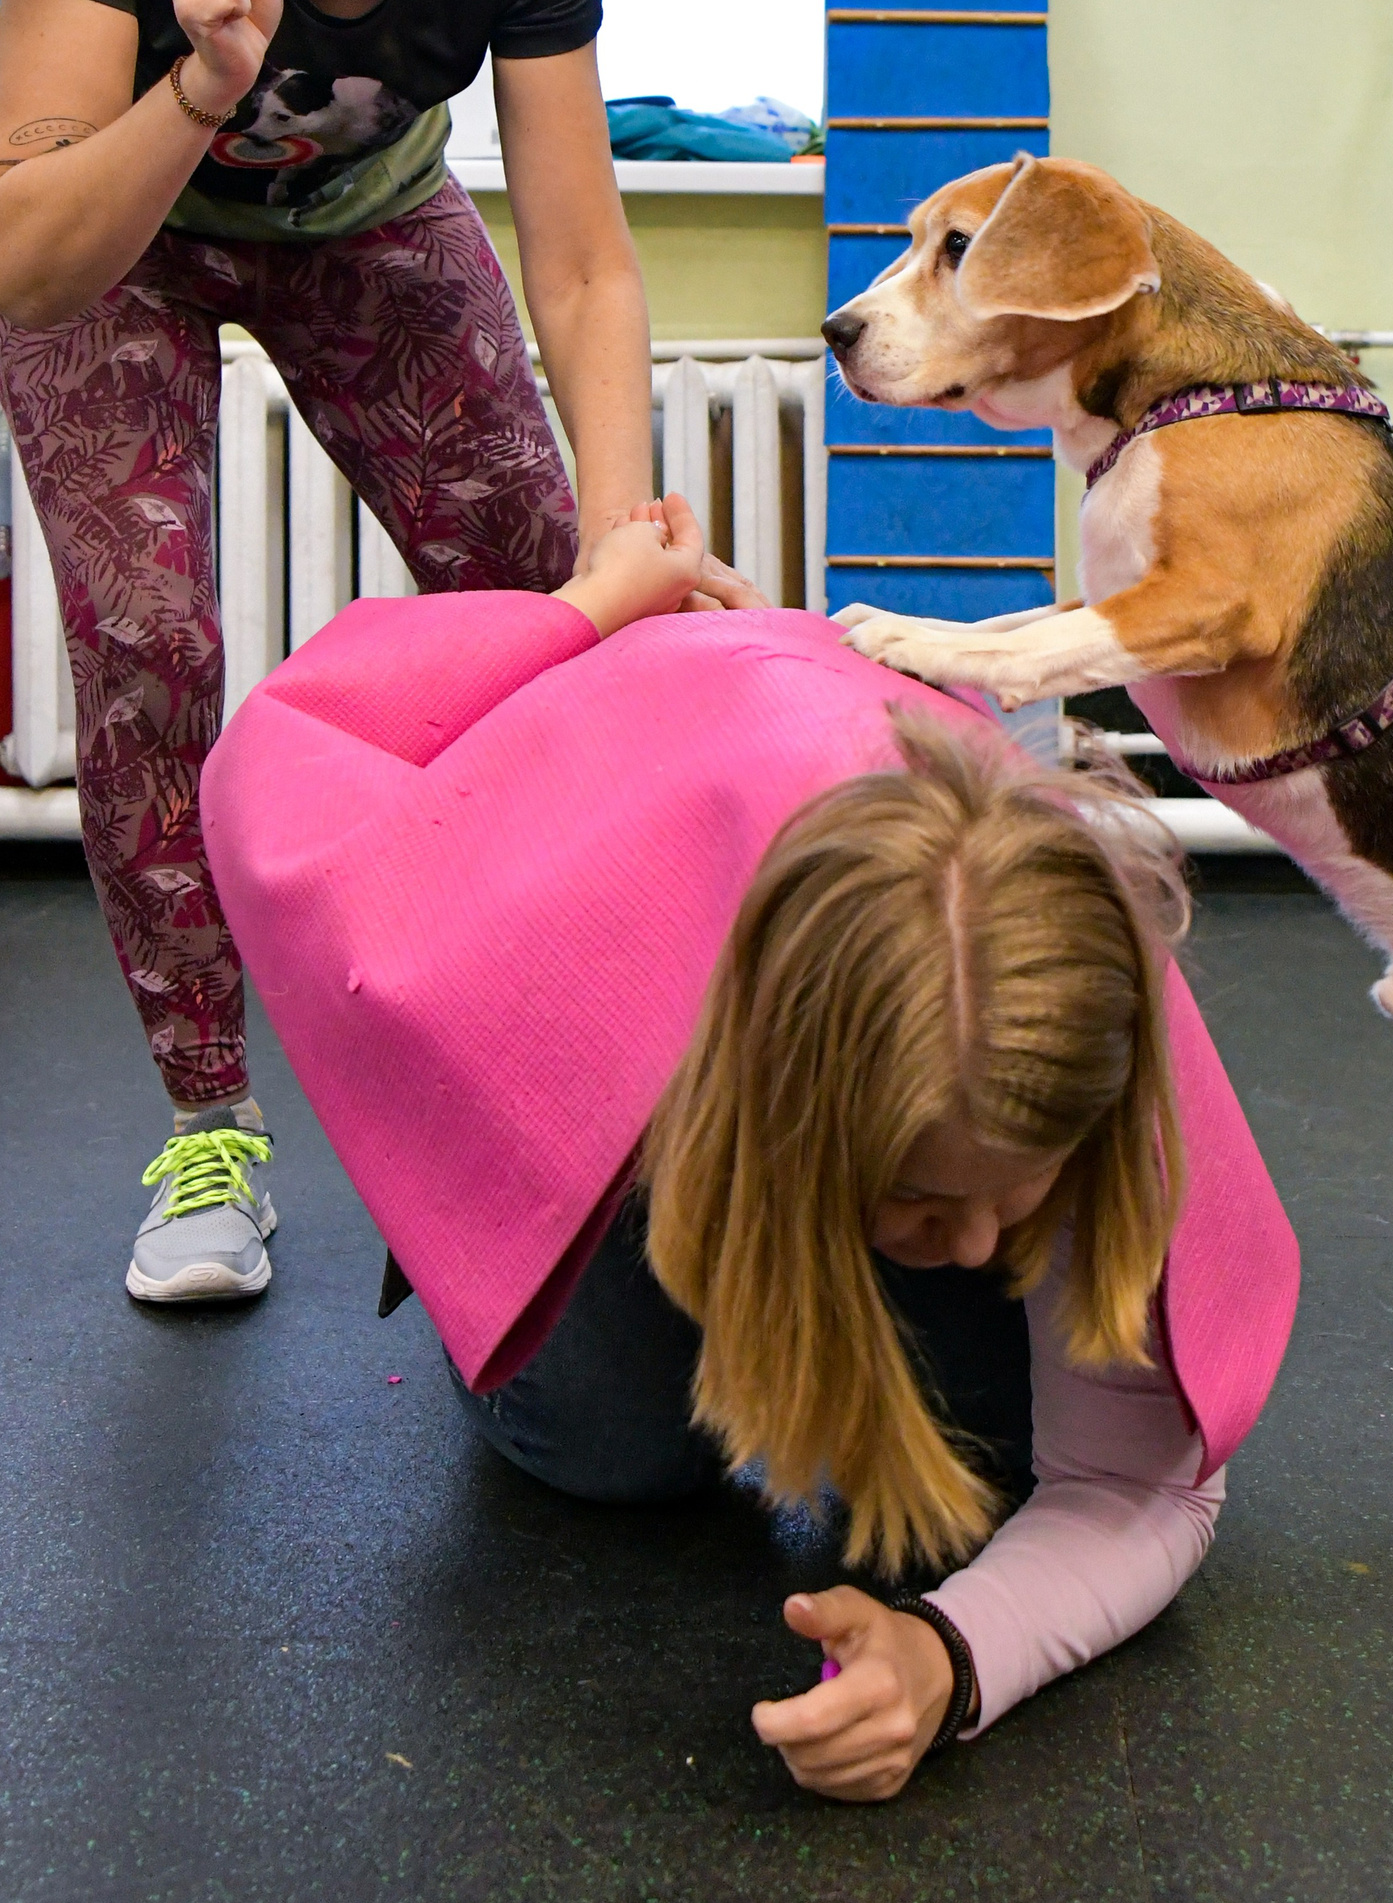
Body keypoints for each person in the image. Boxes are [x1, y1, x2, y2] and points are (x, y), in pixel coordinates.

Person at [199, 501, 1301, 1801]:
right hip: (634, 928)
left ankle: (914, 1216)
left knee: (985, 1462)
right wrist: (588, 608)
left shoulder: (1088, 1039)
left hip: (802, 916)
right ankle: (596, 1219)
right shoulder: (579, 969)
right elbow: (286, 763)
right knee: (612, 1456)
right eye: (926, 1199)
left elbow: (1139, 1491)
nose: (985, 1246)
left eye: (1021, 1193)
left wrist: (952, 1658)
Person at [0, 0, 653, 1301]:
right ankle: (210, 1138)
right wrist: (194, 86)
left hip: (363, 220)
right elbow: (28, 256)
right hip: (118, 212)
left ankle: (559, 1082)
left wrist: (633, 532)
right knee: (147, 637)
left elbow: (581, 259)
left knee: (545, 594)